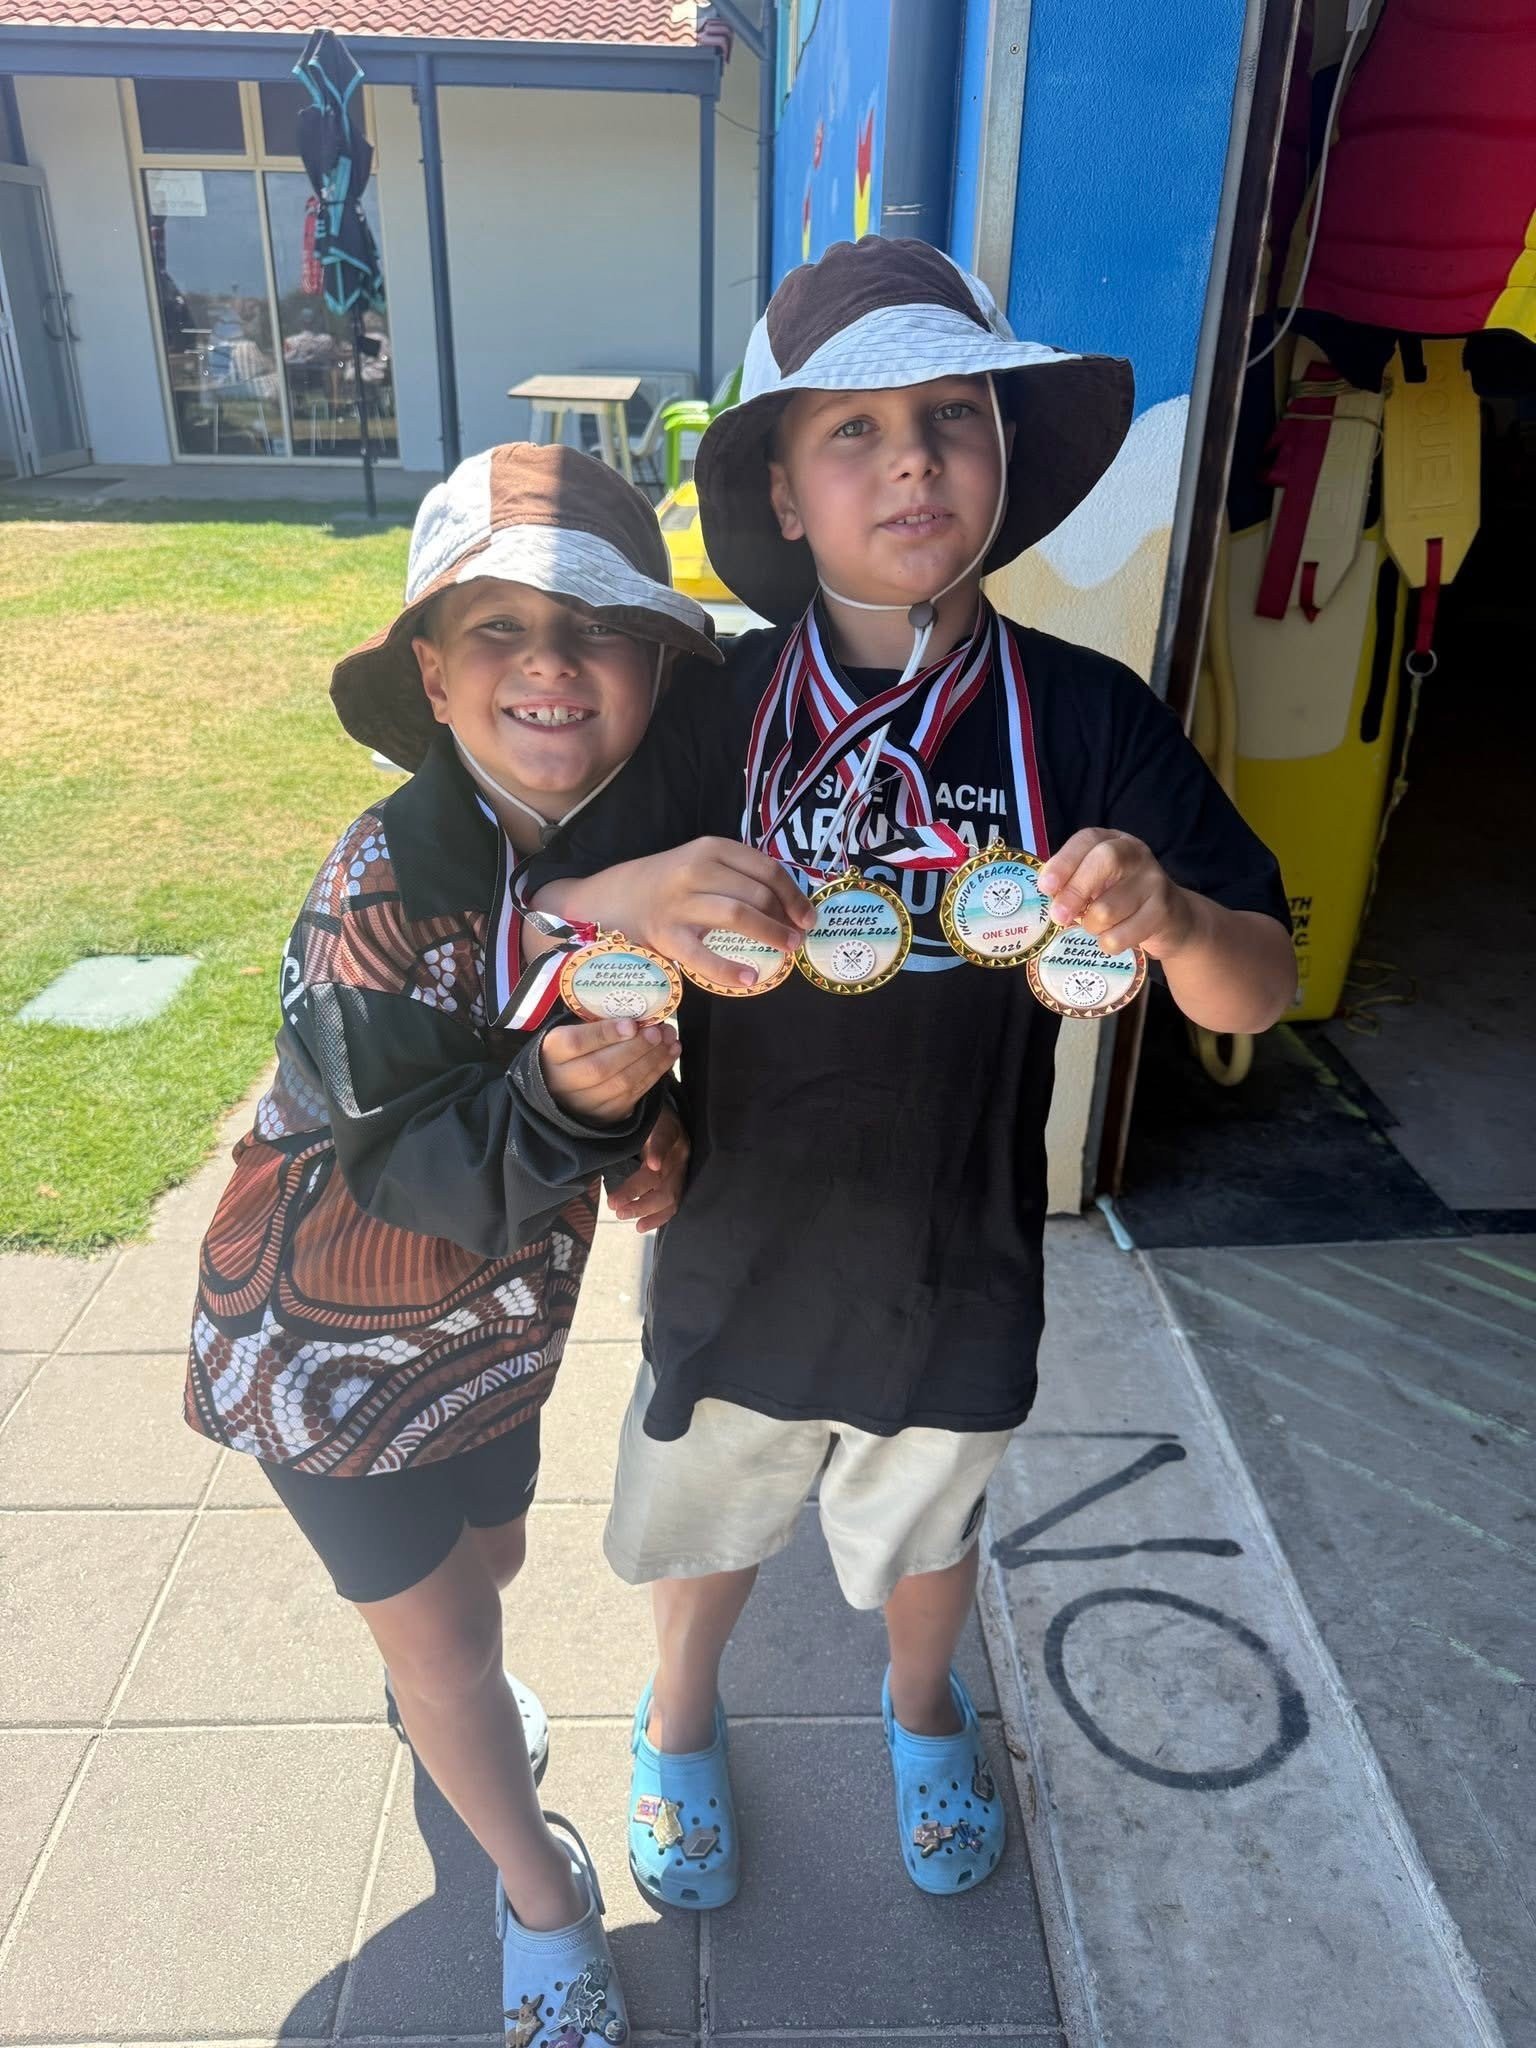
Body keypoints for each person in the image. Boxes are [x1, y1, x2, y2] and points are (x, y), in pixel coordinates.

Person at [530, 238, 1297, 1909]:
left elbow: (1268, 973)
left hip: (961, 1240)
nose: (912, 461)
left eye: (951, 416)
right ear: (784, 495)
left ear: (1004, 460)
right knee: (712, 1521)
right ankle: (675, 1720)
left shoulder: (1087, 717)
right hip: (736, 1228)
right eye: (853, 432)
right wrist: (621, 1068)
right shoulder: (707, 706)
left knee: (934, 1525)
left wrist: (1167, 915)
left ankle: (925, 1708)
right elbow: (554, 934)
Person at [184, 442, 719, 2044]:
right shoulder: (376, 880)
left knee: (491, 1564)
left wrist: (643, 1125)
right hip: (320, 1366)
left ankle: (451, 1700)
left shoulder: (599, 855)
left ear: (649, 675)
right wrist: (574, 1101)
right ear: (429, 672)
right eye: (498, 628)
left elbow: (593, 1064)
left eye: (598, 630)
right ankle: (539, 1898)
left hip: (493, 1342)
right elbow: (411, 1157)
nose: (550, 665)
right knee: (450, 1651)